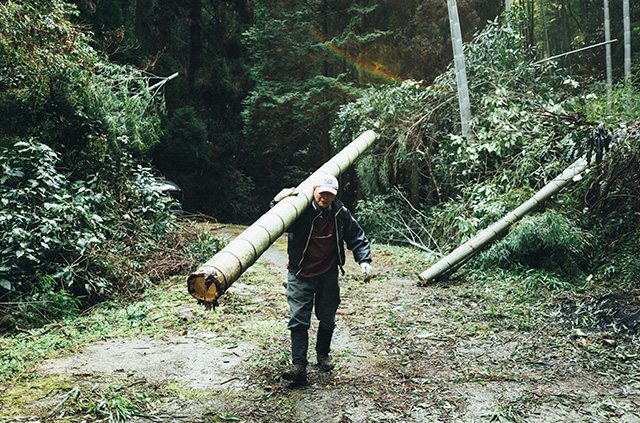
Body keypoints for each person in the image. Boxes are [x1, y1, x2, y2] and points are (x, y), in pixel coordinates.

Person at [279, 173, 373, 384]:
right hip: (300, 273)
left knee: (328, 317)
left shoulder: (340, 213)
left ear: (335, 195)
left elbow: (357, 237)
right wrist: (278, 201)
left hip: (327, 273)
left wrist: (364, 261)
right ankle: (299, 367)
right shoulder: (299, 210)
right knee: (299, 318)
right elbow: (276, 219)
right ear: (314, 191)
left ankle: (323, 354)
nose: (324, 198)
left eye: (329, 195)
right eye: (322, 193)